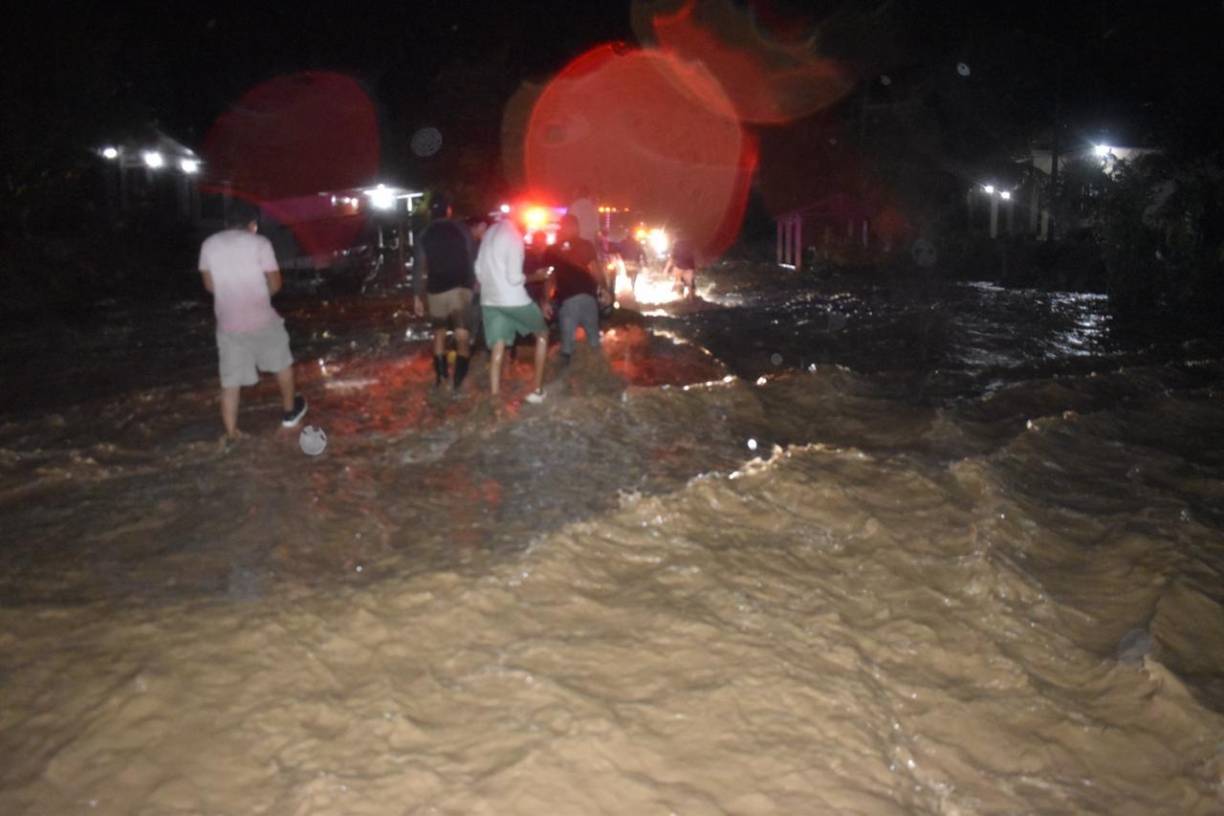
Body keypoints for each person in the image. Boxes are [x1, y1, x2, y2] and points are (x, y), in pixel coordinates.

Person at [198, 202, 307, 439]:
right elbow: (276, 284)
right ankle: (289, 415)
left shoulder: (209, 245)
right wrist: (257, 295)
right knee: (282, 364)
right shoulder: (260, 243)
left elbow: (209, 286)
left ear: (226, 224)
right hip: (262, 319)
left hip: (228, 323)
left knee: (230, 382)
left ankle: (231, 433)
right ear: (253, 225)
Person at [474, 216, 550, 402]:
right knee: (542, 334)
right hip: (513, 298)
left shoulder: (489, 234)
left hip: (489, 299)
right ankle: (537, 391)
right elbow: (514, 278)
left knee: (498, 345)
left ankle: (494, 398)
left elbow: (478, 270)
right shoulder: (514, 236)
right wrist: (537, 277)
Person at [413, 196, 477, 392]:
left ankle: (441, 379)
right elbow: (471, 256)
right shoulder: (461, 229)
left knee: (439, 334)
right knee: (462, 334)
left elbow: (419, 266)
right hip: (460, 287)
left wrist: (417, 295)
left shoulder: (424, 234)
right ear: (448, 210)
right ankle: (459, 380)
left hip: (436, 289)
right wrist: (474, 281)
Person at [546, 214, 607, 364]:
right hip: (588, 298)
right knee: (594, 341)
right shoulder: (586, 245)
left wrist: (546, 300)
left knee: (567, 346)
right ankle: (599, 374)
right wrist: (605, 289)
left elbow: (550, 278)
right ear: (576, 228)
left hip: (568, 301)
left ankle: (565, 379)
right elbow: (596, 270)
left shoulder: (553, 249)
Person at [665, 234, 699, 301]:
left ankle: (681, 297)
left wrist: (666, 269)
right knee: (690, 283)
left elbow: (672, 258)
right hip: (690, 266)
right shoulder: (690, 245)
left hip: (680, 266)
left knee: (678, 280)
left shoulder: (676, 245)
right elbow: (695, 256)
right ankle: (691, 297)